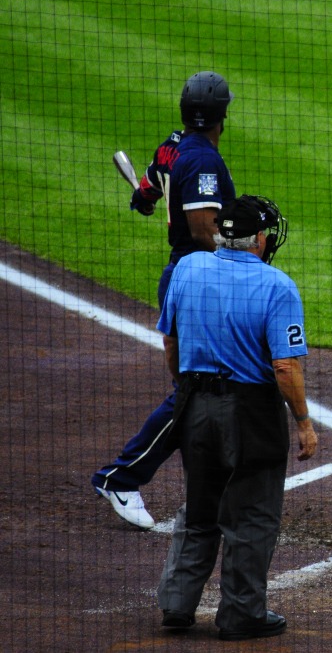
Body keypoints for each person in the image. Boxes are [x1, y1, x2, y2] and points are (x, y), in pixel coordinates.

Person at [155, 195, 317, 640]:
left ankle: (176, 603)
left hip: (194, 407)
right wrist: (302, 421)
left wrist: (187, 390)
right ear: (260, 239)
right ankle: (242, 614)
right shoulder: (277, 285)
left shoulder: (187, 268)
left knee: (200, 506)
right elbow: (285, 366)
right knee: (251, 514)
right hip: (249, 412)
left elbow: (171, 343)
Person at [92, 71, 236, 529]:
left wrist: (144, 199)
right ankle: (122, 476)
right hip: (198, 279)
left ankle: (213, 475)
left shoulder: (172, 146)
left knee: (207, 384)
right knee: (195, 390)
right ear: (223, 116)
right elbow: (203, 228)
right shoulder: (207, 164)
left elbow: (151, 186)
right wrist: (245, 257)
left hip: (185, 275)